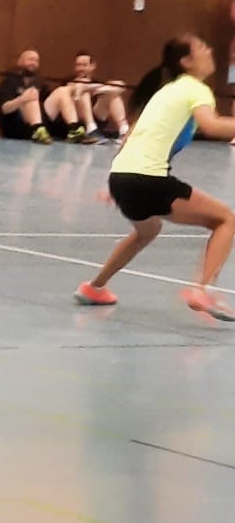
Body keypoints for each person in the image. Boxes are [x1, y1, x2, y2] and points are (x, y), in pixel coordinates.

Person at [75, 34, 235, 318]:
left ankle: (94, 288)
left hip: (121, 177)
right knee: (226, 219)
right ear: (186, 62)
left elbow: (132, 136)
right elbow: (210, 126)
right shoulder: (196, 88)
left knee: (147, 231)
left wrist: (115, 185)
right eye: (202, 47)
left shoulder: (165, 91)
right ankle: (204, 290)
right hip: (148, 179)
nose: (209, 49)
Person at [0, 49, 90, 144]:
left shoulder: (40, 82)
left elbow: (49, 104)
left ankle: (74, 129)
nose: (33, 63)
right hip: (19, 126)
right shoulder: (10, 81)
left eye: (36, 61)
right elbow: (5, 109)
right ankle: (37, 130)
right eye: (30, 59)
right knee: (32, 95)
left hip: (44, 127)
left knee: (62, 91)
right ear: (20, 61)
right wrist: (22, 99)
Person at [58, 51, 129, 139]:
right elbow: (78, 88)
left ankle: (124, 130)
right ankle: (90, 128)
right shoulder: (69, 80)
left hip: (97, 118)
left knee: (113, 95)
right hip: (77, 120)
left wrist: (99, 89)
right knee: (84, 94)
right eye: (78, 65)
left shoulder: (96, 82)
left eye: (84, 65)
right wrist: (93, 88)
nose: (80, 68)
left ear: (92, 66)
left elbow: (121, 86)